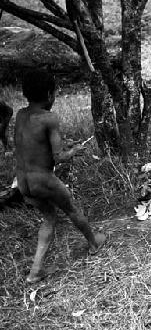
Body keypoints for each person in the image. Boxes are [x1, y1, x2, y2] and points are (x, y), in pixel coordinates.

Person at [15, 70, 106, 283]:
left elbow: (32, 147)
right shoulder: (49, 118)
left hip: (23, 181)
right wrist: (74, 151)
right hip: (42, 179)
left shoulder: (20, 114)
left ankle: (36, 270)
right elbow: (59, 158)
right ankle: (94, 243)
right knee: (72, 209)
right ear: (49, 93)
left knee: (49, 217)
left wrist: (64, 147)